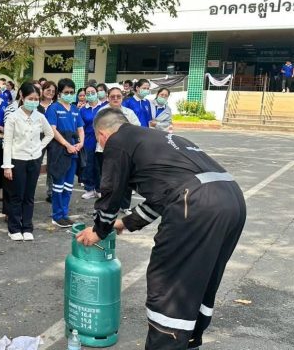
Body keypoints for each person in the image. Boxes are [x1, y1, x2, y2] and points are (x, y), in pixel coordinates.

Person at [76, 108, 246, 350]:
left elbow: (111, 191)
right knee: (202, 277)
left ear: (102, 135)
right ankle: (190, 342)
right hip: (232, 200)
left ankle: (165, 345)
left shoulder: (118, 141)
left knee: (168, 282)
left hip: (196, 203)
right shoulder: (159, 138)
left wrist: (99, 230)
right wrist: (125, 223)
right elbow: (163, 197)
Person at [2, 83, 54, 241]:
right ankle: (14, 228)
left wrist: (39, 147)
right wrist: (7, 166)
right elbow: (7, 143)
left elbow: (50, 134)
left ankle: (27, 227)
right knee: (16, 196)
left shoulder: (40, 116)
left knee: (29, 196)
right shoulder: (13, 117)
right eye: (30, 98)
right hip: (17, 161)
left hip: (34, 160)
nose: (33, 102)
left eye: (36, 99)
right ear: (22, 97)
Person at [46, 78, 85, 228]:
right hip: (59, 151)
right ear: (60, 93)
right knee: (58, 185)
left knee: (68, 186)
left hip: (74, 151)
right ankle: (57, 216)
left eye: (71, 92)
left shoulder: (75, 109)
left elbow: (80, 128)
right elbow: (52, 130)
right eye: (66, 92)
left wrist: (81, 143)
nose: (69, 94)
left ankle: (64, 214)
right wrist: (67, 145)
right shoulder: (53, 108)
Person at [80, 84, 106, 200]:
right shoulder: (82, 110)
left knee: (100, 165)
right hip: (88, 139)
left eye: (93, 92)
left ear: (97, 93)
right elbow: (80, 127)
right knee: (89, 165)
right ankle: (89, 189)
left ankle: (99, 189)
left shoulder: (104, 107)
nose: (90, 95)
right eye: (88, 93)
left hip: (102, 139)